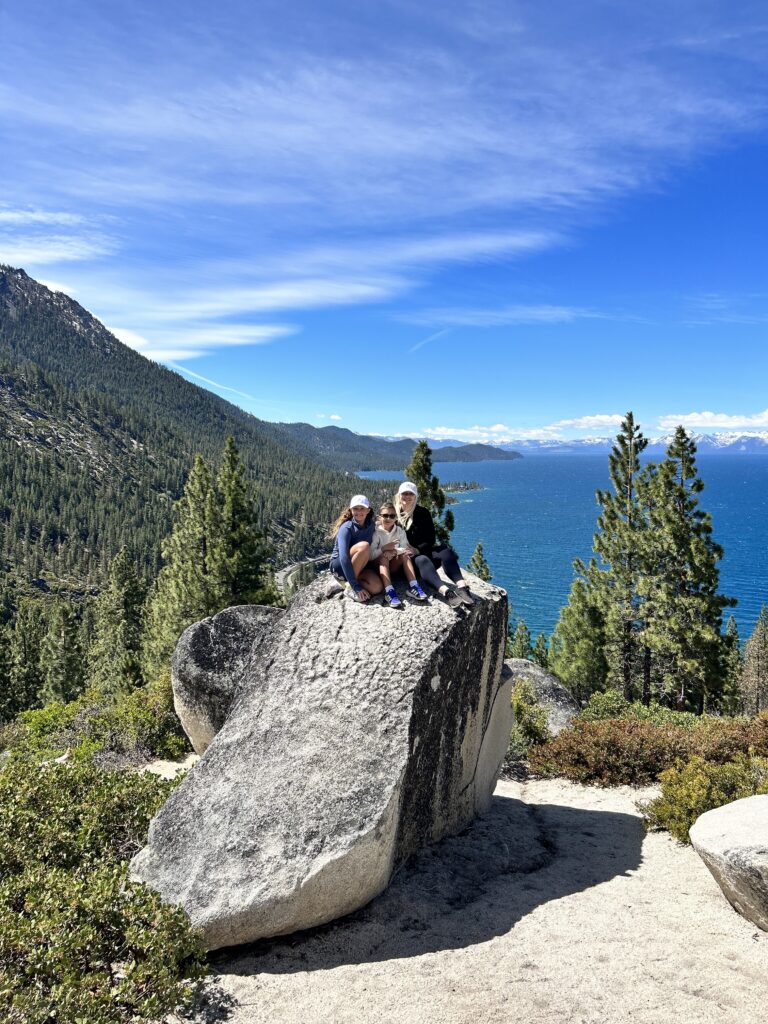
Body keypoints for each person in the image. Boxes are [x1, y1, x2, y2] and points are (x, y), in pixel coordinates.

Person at [394, 481, 473, 608]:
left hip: (418, 553)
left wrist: (417, 549)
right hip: (404, 563)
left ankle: (463, 588)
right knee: (422, 559)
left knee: (445, 551)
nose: (407, 497)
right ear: (399, 495)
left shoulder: (423, 513)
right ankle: (447, 593)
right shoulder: (392, 514)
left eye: (411, 494)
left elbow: (430, 539)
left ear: (415, 496)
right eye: (404, 494)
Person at [369, 502, 429, 607]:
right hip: (378, 567)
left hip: (393, 566)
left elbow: (405, 548)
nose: (388, 518)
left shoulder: (400, 531)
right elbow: (371, 555)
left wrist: (394, 551)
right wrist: (384, 549)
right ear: (379, 517)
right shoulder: (376, 532)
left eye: (392, 516)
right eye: (385, 515)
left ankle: (414, 586)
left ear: (396, 518)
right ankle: (389, 592)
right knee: (384, 557)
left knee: (405, 555)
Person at [329, 495, 383, 602]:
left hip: (358, 566)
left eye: (362, 508)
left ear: (368, 510)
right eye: (355, 508)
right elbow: (344, 557)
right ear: (351, 510)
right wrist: (356, 587)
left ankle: (342, 583)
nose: (359, 512)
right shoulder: (347, 527)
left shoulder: (371, 525)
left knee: (377, 588)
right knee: (364, 546)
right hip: (339, 565)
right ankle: (350, 587)